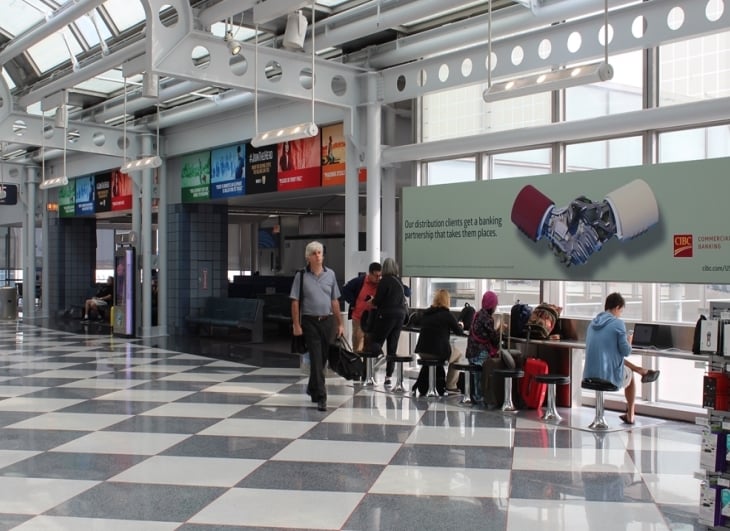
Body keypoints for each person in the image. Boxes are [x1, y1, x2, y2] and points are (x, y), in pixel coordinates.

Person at [583, 292, 660, 424]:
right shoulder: (618, 323)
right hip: (606, 377)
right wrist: (629, 340)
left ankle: (641, 370)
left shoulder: (592, 323)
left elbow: (614, 356)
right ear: (617, 307)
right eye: (621, 311)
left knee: (616, 361)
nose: (620, 314)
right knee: (629, 374)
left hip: (588, 376)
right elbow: (626, 352)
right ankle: (631, 414)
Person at [290, 241, 344, 412]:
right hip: (309, 321)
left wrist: (340, 323)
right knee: (315, 356)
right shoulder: (301, 276)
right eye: (314, 253)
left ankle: (312, 387)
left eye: (320, 252)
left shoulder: (331, 275)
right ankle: (322, 396)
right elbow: (295, 301)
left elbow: (334, 300)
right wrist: (296, 325)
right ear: (308, 257)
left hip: (327, 321)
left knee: (323, 359)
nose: (318, 256)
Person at [367, 257, 409, 387]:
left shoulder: (384, 281)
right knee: (392, 347)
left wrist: (372, 300)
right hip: (400, 316)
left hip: (386, 315)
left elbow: (378, 300)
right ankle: (388, 377)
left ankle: (379, 356)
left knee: (375, 341)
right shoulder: (399, 281)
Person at [414, 289, 466, 394]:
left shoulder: (427, 313)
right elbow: (459, 332)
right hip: (437, 353)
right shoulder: (447, 315)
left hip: (422, 352)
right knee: (459, 355)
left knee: (440, 349)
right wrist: (461, 325)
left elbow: (417, 322)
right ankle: (451, 385)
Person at [465, 290, 502, 404]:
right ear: (492, 305)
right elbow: (494, 339)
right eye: (495, 304)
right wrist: (500, 329)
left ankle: (475, 396)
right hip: (479, 353)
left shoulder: (477, 314)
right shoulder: (487, 318)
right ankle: (481, 397)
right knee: (485, 372)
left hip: (471, 352)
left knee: (475, 376)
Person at [341, 262, 382, 353]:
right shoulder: (360, 281)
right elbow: (345, 289)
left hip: (373, 319)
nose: (378, 278)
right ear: (370, 274)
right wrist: (353, 302)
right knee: (358, 344)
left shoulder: (381, 285)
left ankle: (369, 366)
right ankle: (357, 364)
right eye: (376, 276)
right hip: (358, 317)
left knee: (371, 346)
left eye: (380, 276)